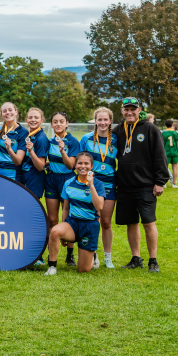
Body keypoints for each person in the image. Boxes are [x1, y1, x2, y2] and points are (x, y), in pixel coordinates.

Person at [113, 97, 168, 273]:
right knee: (131, 223)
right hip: (124, 186)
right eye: (126, 109)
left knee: (148, 222)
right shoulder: (118, 130)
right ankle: (136, 258)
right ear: (121, 111)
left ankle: (153, 260)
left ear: (139, 110)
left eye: (133, 109)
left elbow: (160, 155)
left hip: (145, 185)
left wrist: (160, 182)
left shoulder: (150, 129)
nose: (129, 112)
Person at [45, 152, 106, 275]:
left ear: (92, 166)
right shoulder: (68, 183)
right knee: (55, 231)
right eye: (80, 163)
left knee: (83, 270)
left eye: (86, 163)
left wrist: (91, 185)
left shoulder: (98, 184)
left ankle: (92, 254)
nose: (83, 166)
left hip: (89, 225)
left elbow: (99, 206)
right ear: (75, 165)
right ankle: (52, 267)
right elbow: (66, 208)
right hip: (72, 223)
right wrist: (63, 226)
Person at [79, 107, 118, 268]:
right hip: (91, 184)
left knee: (106, 222)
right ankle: (93, 255)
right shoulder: (86, 138)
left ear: (110, 121)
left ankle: (108, 257)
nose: (102, 122)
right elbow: (80, 162)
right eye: (99, 120)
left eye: (105, 119)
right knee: (92, 219)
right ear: (95, 121)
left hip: (109, 184)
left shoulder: (116, 140)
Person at [45, 112, 80, 266]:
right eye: (55, 122)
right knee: (52, 219)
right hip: (52, 180)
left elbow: (71, 165)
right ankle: (52, 255)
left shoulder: (72, 141)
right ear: (51, 124)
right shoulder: (49, 141)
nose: (58, 124)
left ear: (67, 123)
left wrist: (62, 151)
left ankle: (70, 255)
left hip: (67, 180)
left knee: (69, 218)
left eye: (61, 121)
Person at [0, 102, 28, 180]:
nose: (8, 112)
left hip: (12, 174)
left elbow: (18, 162)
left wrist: (9, 149)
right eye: (4, 111)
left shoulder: (23, 132)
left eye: (10, 110)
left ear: (16, 112)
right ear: (1, 115)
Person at [20, 108, 49, 199]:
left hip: (35, 178)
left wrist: (31, 151)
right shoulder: (29, 135)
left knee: (31, 209)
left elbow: (41, 166)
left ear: (41, 120)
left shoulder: (41, 139)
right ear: (27, 120)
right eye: (30, 117)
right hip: (26, 175)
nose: (33, 120)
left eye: (36, 117)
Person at [162, 119, 178, 188]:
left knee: (164, 168)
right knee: (174, 168)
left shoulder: (163, 133)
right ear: (172, 125)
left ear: (165, 125)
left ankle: (163, 183)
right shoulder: (175, 133)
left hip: (166, 152)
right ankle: (173, 184)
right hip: (174, 152)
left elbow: (162, 143)